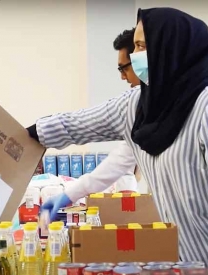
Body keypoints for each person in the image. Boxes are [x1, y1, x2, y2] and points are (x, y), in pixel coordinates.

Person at [27, 7, 208, 275]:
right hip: (189, 266)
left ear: (170, 48)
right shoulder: (139, 105)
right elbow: (77, 123)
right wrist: (21, 137)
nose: (135, 56)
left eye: (141, 46)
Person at [41, 28, 141, 220]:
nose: (122, 77)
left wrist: (38, 132)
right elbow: (117, 164)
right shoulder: (141, 111)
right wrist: (69, 195)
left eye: (124, 68)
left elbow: (83, 122)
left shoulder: (202, 101)